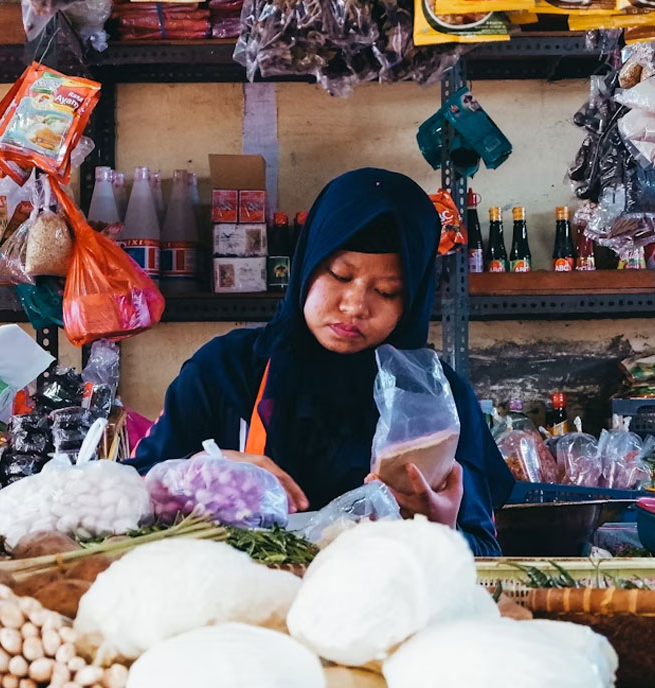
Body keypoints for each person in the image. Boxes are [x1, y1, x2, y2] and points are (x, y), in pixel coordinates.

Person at [129, 168, 513, 555]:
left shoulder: (437, 406)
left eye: (386, 291)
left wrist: (442, 529)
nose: (355, 306)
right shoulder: (224, 370)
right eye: (340, 275)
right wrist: (201, 468)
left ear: (413, 301)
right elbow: (131, 495)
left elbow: (484, 551)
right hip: (238, 604)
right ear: (307, 264)